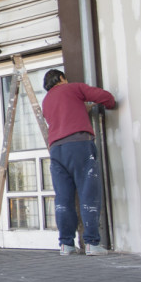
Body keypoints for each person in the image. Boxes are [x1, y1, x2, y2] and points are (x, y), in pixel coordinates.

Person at [41, 69, 116, 256]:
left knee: (63, 198)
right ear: (61, 78)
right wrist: (110, 104)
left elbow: (63, 115)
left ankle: (66, 245)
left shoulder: (47, 101)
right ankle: (91, 243)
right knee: (88, 193)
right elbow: (105, 97)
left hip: (56, 149)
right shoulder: (73, 88)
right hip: (79, 144)